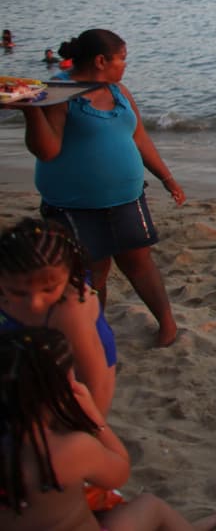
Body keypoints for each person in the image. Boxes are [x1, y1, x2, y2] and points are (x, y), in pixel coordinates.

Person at [15, 29, 183, 347]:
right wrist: (31, 112)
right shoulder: (58, 92)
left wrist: (166, 177)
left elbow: (140, 138)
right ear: (101, 60)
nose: (125, 65)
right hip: (75, 204)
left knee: (139, 261)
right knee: (94, 272)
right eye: (122, 59)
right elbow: (47, 150)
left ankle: (167, 324)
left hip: (126, 198)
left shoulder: (118, 90)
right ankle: (93, 331)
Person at [0, 328, 216, 531]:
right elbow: (119, 474)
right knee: (151, 505)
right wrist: (96, 421)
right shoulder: (70, 449)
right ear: (61, 390)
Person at [0, 219, 117, 416]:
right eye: (18, 293)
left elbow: (97, 384)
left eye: (48, 289)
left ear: (69, 273)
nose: (35, 302)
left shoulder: (69, 310)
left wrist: (93, 426)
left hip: (68, 372)